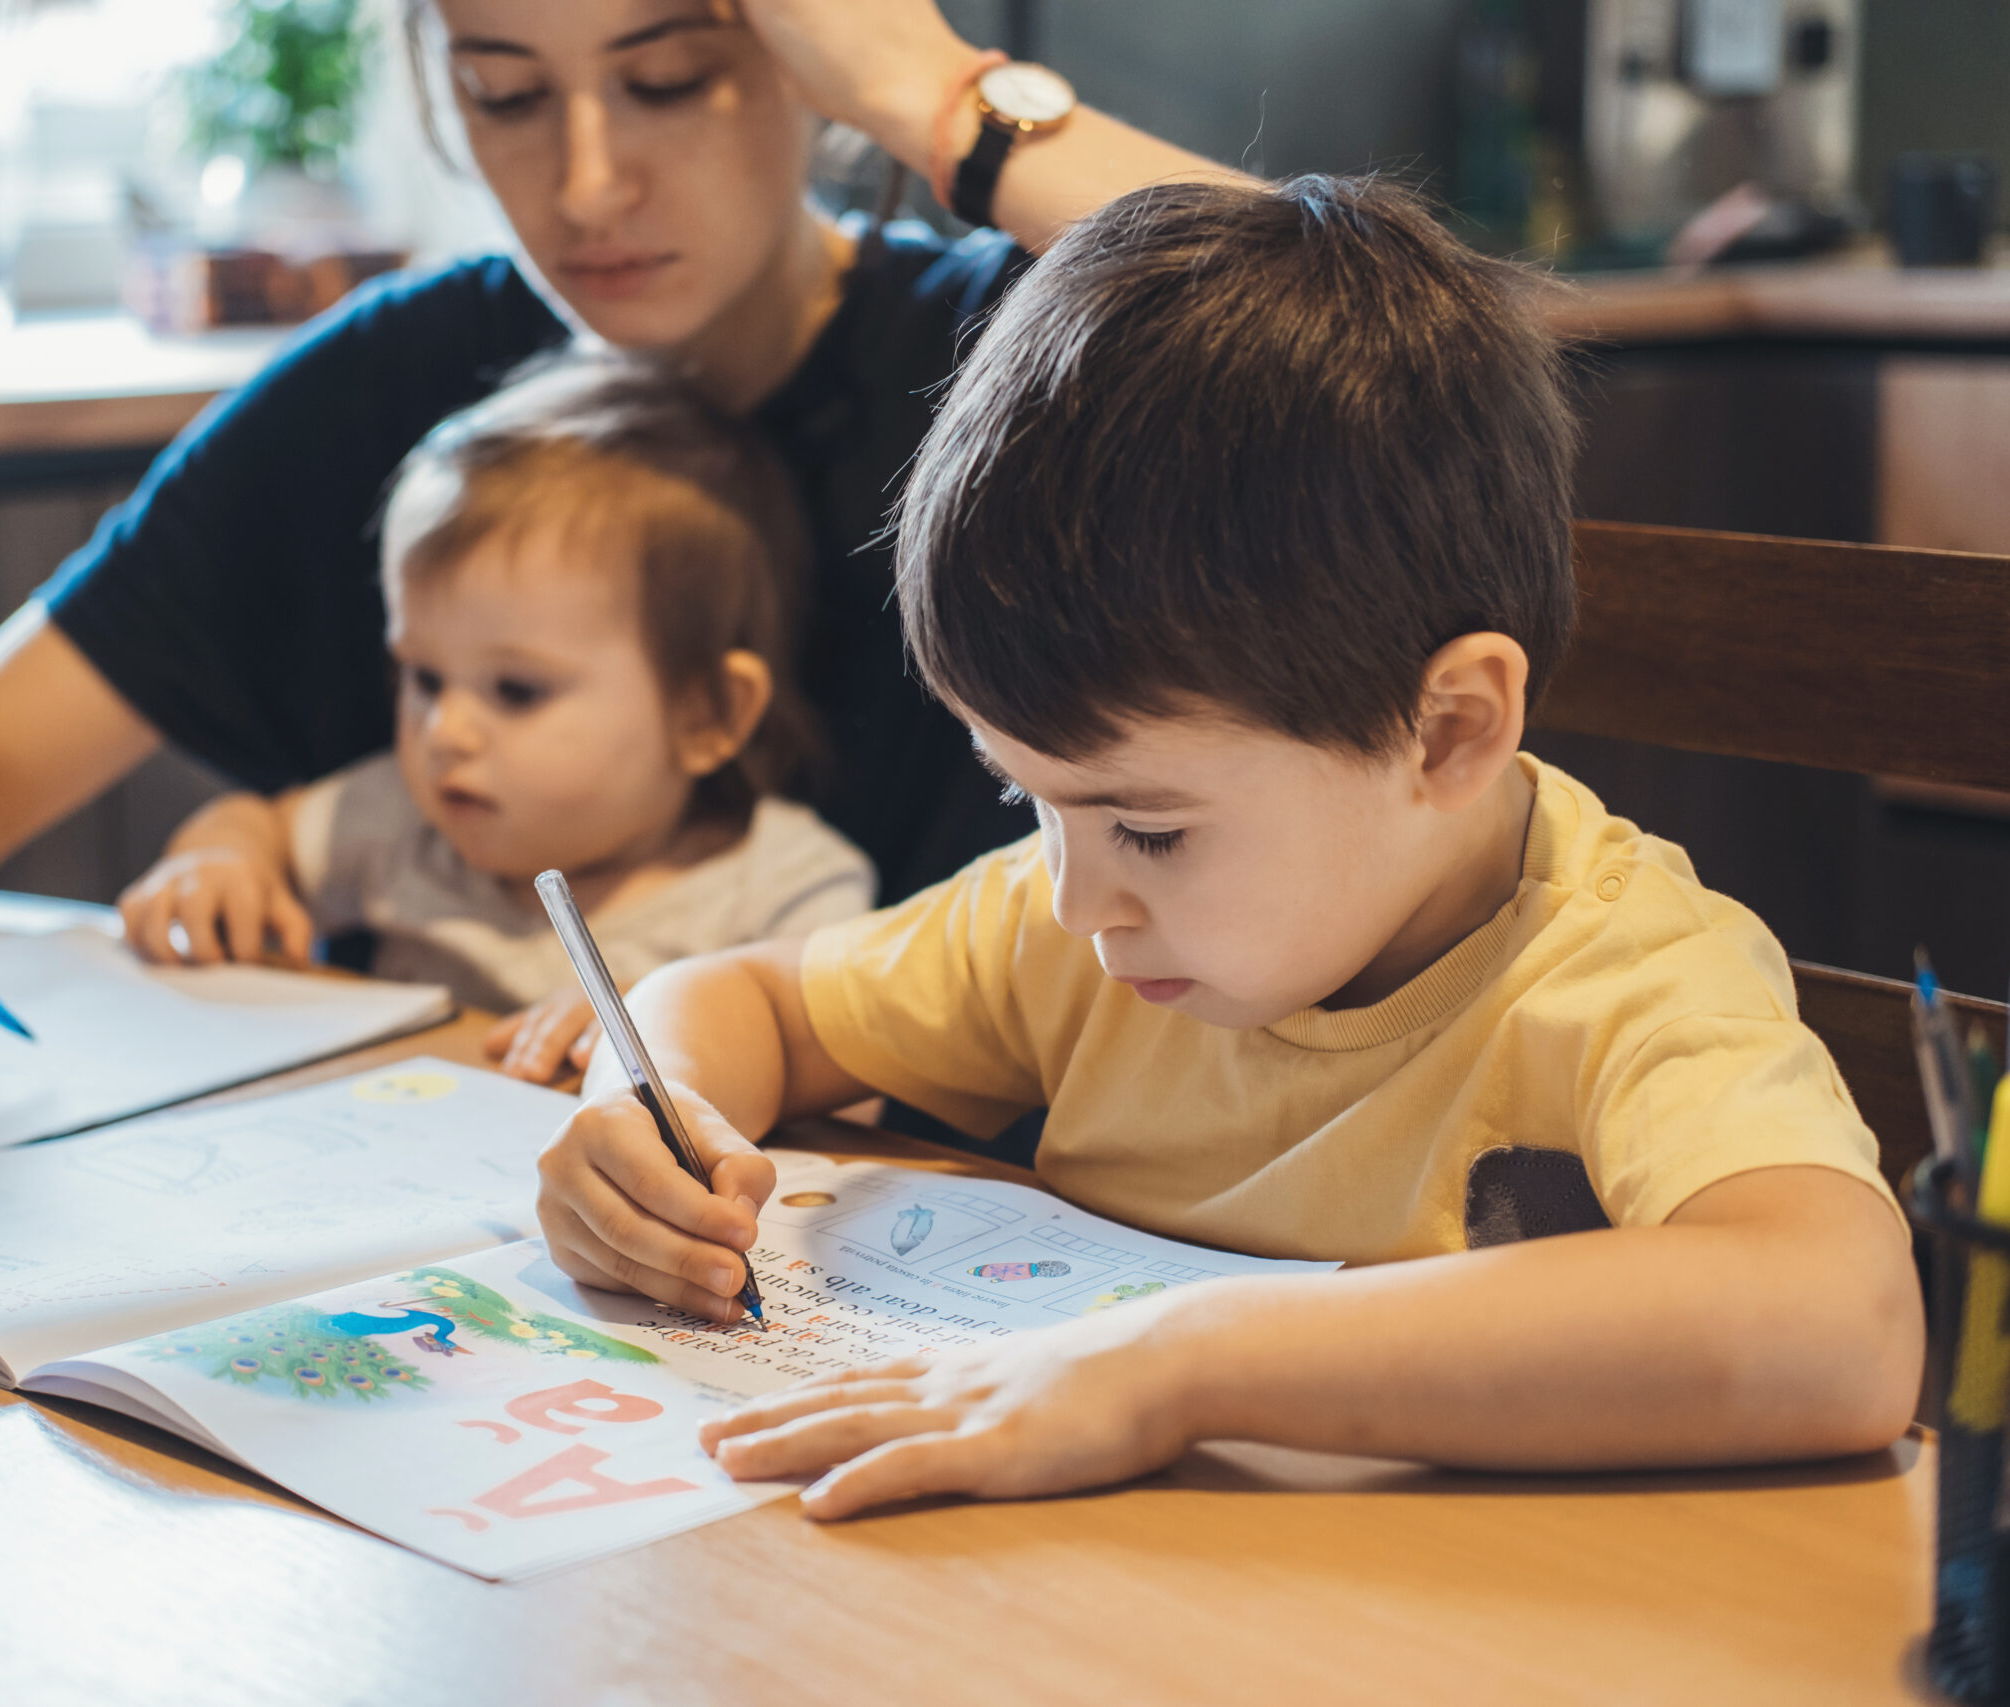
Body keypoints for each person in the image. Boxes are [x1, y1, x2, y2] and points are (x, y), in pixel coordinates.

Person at [533, 177, 1922, 1518]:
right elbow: (751, 997)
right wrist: (639, 1114)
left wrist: (1177, 1366)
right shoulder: (1077, 917)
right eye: (1031, 801)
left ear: (1447, 730)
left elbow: (1840, 1322)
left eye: (1145, 824)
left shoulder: (1627, 979)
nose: (1079, 899)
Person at [0, 0, 1247, 1073]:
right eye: (504, 92)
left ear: (809, 59)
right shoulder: (399, 385)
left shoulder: (1024, 344)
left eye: (665, 78)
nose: (585, 183)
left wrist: (941, 95)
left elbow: (1444, 361)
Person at [114, 354, 873, 1081]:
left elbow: (852, 1085)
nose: (446, 731)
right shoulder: (404, 824)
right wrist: (220, 860)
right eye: (424, 676)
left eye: (516, 690)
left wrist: (696, 1033)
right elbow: (260, 827)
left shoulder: (788, 889)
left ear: (706, 713)